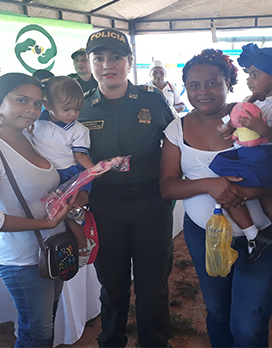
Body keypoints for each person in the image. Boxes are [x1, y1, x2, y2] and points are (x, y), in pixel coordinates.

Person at [160, 49, 272, 347]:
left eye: (212, 83)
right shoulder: (177, 128)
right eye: (194, 85)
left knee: (249, 326)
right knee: (217, 313)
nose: (203, 92)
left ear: (229, 82)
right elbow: (168, 186)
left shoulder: (252, 117)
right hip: (205, 237)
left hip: (260, 238)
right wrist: (209, 185)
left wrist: (247, 193)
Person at [0, 73, 79, 348]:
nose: (31, 109)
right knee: (36, 332)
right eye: (21, 100)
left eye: (37, 103)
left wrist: (69, 194)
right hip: (21, 258)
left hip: (52, 248)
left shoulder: (31, 137)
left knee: (47, 323)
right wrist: (46, 223)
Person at [78, 28, 175, 348]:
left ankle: (154, 343)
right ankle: (111, 341)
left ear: (129, 62)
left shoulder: (152, 101)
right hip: (105, 206)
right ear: (89, 63)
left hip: (151, 205)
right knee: (113, 284)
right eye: (99, 58)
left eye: (116, 57)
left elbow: (176, 143)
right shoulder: (81, 107)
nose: (107, 65)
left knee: (153, 285)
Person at [211, 43, 272, 270]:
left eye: (255, 74)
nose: (249, 79)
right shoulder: (255, 100)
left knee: (227, 190)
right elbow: (237, 122)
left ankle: (254, 236)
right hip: (253, 157)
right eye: (249, 75)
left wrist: (260, 127)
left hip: (265, 161)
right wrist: (228, 130)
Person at [27, 76, 98, 267]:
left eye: (77, 109)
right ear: (48, 104)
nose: (73, 114)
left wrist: (96, 171)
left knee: (66, 212)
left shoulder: (79, 130)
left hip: (68, 175)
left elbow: (80, 156)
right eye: (67, 109)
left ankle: (82, 243)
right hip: (43, 174)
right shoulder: (34, 124)